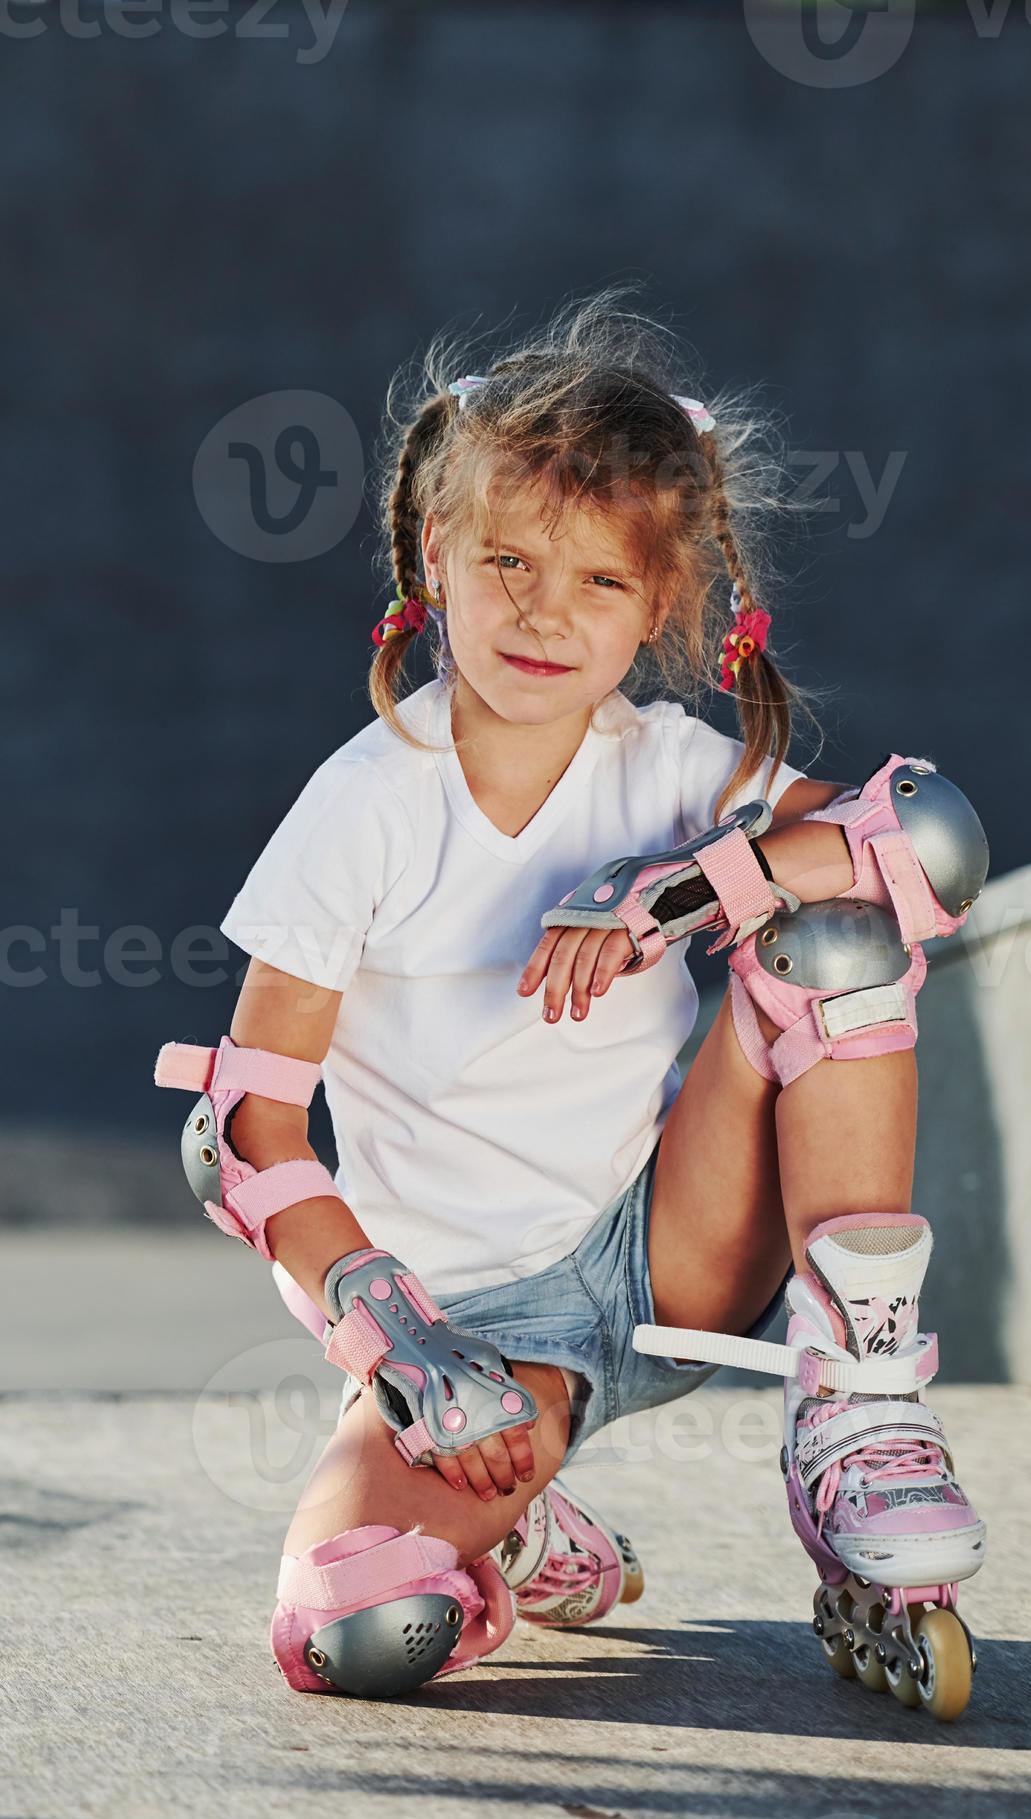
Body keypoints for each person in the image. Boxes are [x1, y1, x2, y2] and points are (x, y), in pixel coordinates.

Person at [155, 290, 988, 1715]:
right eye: (508, 562)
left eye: (601, 583)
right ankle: (515, 1527)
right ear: (436, 559)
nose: (547, 612)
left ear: (657, 608)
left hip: (671, 1247)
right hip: (473, 1329)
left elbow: (933, 845)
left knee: (836, 942)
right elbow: (247, 1132)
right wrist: (398, 1352)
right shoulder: (364, 806)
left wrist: (676, 889)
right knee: (354, 1631)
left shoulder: (666, 767)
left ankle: (859, 1412)